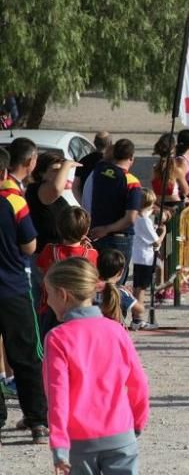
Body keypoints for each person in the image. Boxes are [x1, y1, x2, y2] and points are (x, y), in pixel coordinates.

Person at [42, 258, 149, 475]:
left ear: (63, 295)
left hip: (79, 442)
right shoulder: (116, 330)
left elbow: (58, 396)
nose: (47, 301)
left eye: (49, 294)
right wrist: (138, 420)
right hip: (120, 433)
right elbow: (137, 381)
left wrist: (59, 443)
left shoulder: (57, 338)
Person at [0, 148, 48, 445]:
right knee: (27, 355)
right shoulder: (14, 201)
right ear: (5, 172)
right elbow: (30, 245)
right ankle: (38, 420)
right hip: (13, 288)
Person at [85, 139, 143, 285]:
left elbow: (105, 157)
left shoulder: (100, 170)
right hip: (119, 239)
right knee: (115, 286)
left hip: (96, 234)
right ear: (131, 158)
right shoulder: (131, 181)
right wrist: (107, 229)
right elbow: (130, 218)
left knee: (97, 283)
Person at [35, 207, 99, 336]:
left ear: (59, 228)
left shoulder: (49, 250)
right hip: (80, 308)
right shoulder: (91, 254)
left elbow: (40, 269)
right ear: (86, 231)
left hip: (51, 307)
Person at [25, 152, 77, 252]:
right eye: (56, 170)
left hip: (55, 253)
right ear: (41, 173)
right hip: (42, 256)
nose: (61, 174)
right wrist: (67, 165)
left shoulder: (46, 191)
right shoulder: (38, 189)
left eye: (61, 170)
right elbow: (56, 189)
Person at [131, 189, 165, 331]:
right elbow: (156, 242)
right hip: (145, 257)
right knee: (141, 289)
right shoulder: (144, 221)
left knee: (138, 286)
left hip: (139, 256)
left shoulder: (136, 217)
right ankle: (138, 319)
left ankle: (136, 318)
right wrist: (162, 232)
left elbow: (146, 214)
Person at [95, 250, 140, 327]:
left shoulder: (91, 289)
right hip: (116, 330)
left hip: (96, 329)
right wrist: (131, 296)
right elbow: (140, 309)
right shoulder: (121, 292)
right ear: (121, 273)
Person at [151, 133, 189, 214]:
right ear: (174, 148)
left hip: (159, 206)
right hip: (175, 207)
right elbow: (186, 190)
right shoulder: (176, 170)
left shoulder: (155, 169)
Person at [73, 131, 112, 200]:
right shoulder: (113, 162)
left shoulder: (83, 161)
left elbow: (75, 187)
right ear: (110, 143)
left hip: (87, 204)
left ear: (94, 143)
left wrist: (82, 203)